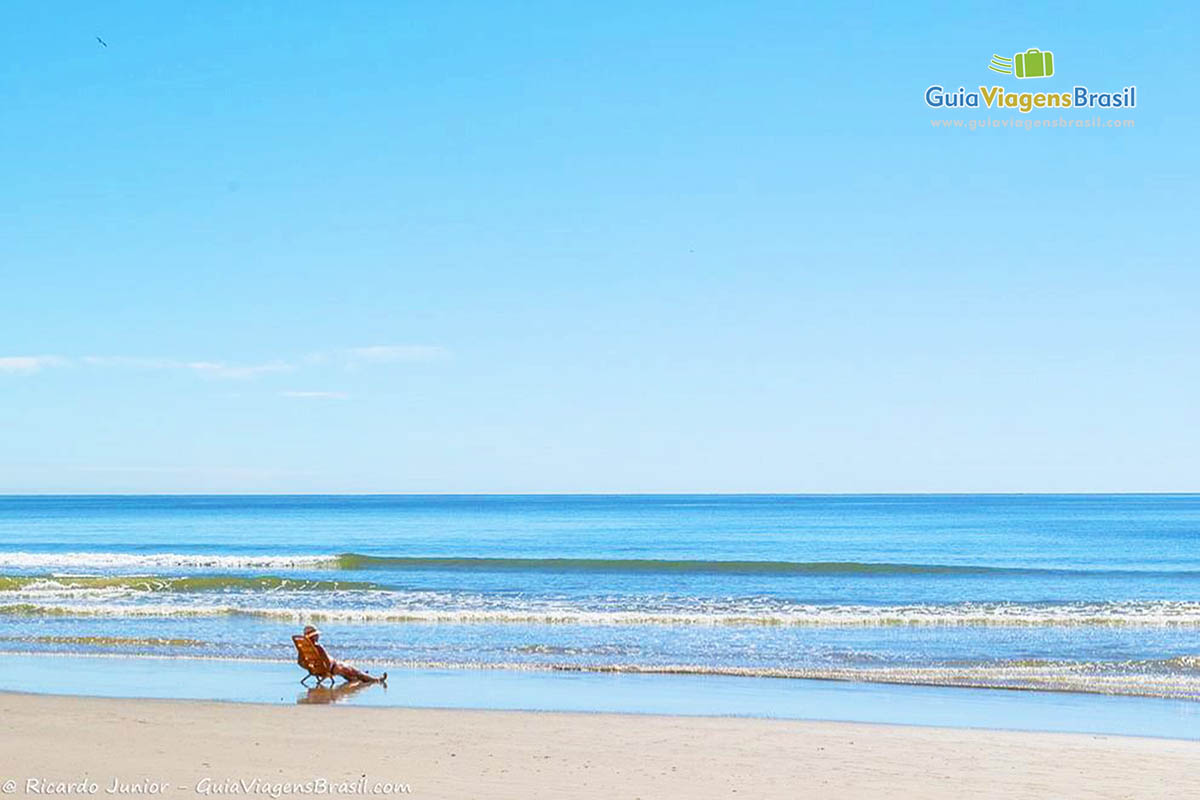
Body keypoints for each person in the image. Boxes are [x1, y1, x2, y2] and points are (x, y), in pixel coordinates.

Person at [301, 625, 387, 684]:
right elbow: (327, 662)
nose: (318, 637)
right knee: (355, 672)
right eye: (316, 635)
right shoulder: (318, 647)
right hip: (333, 668)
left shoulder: (304, 647)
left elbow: (300, 662)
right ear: (313, 636)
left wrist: (311, 668)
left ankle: (362, 676)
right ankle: (376, 679)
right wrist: (327, 671)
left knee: (351, 674)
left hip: (318, 669)